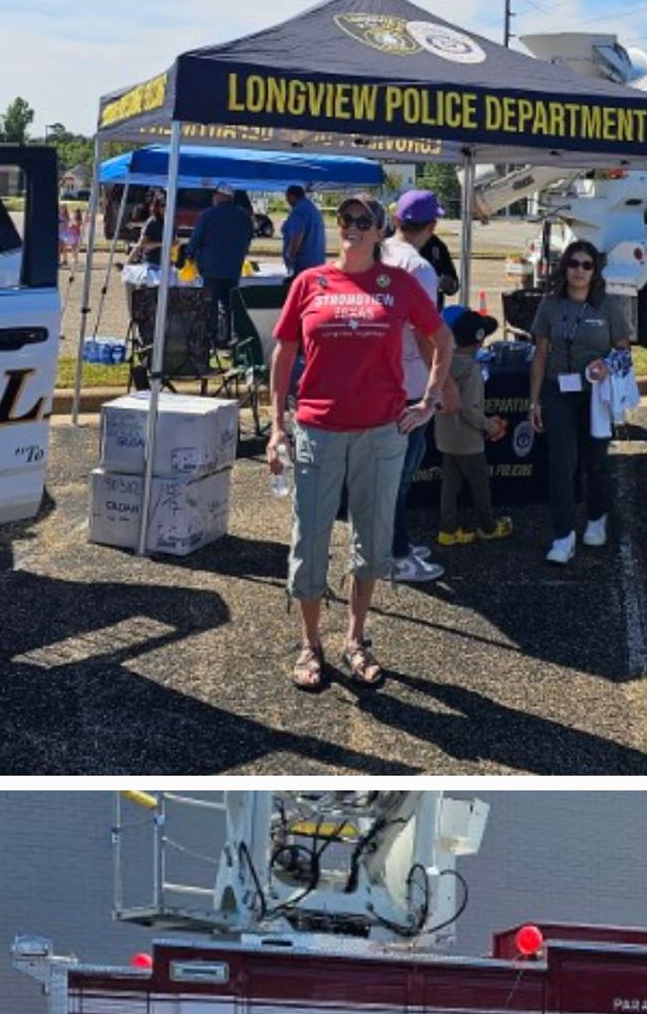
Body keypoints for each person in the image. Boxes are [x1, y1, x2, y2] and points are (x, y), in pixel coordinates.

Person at [267, 194, 452, 693]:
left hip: (380, 433)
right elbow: (284, 353)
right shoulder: (310, 282)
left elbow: (443, 340)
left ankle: (355, 639)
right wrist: (277, 425)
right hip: (317, 429)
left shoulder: (400, 284)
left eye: (362, 221)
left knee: (370, 541)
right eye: (344, 219)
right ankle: (310, 644)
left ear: (379, 229)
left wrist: (430, 400)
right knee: (310, 541)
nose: (351, 227)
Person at [527, 239, 634, 566]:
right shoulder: (549, 305)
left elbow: (624, 350)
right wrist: (534, 401)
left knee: (596, 461)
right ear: (565, 267)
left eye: (586, 265)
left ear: (595, 270)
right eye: (574, 264)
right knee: (561, 466)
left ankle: (597, 517)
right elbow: (541, 353)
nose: (579, 271)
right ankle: (563, 536)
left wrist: (607, 366)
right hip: (557, 392)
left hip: (595, 396)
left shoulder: (609, 306)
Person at [381, 190, 453, 586]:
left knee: (393, 471)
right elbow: (427, 332)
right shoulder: (419, 267)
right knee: (400, 474)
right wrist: (438, 386)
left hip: (384, 380)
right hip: (409, 383)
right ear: (431, 226)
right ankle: (395, 553)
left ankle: (396, 542)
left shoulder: (383, 253)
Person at [434, 310, 512, 547]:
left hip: (445, 437)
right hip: (469, 441)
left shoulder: (443, 363)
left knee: (449, 486)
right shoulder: (472, 370)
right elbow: (469, 409)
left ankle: (447, 530)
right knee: (480, 487)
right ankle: (488, 526)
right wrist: (490, 426)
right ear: (480, 339)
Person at [188, 183, 254, 347]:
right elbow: (248, 240)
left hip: (210, 268)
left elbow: (196, 239)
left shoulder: (208, 215)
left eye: (215, 194)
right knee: (229, 306)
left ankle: (212, 338)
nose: (213, 197)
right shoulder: (244, 217)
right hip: (233, 268)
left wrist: (189, 253)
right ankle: (229, 338)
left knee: (211, 305)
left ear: (221, 196)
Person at [280, 183, 325, 276]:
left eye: (287, 197)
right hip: (317, 262)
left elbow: (297, 235)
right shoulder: (312, 209)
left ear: (291, 196)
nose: (287, 200)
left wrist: (290, 255)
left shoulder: (299, 211)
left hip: (303, 265)